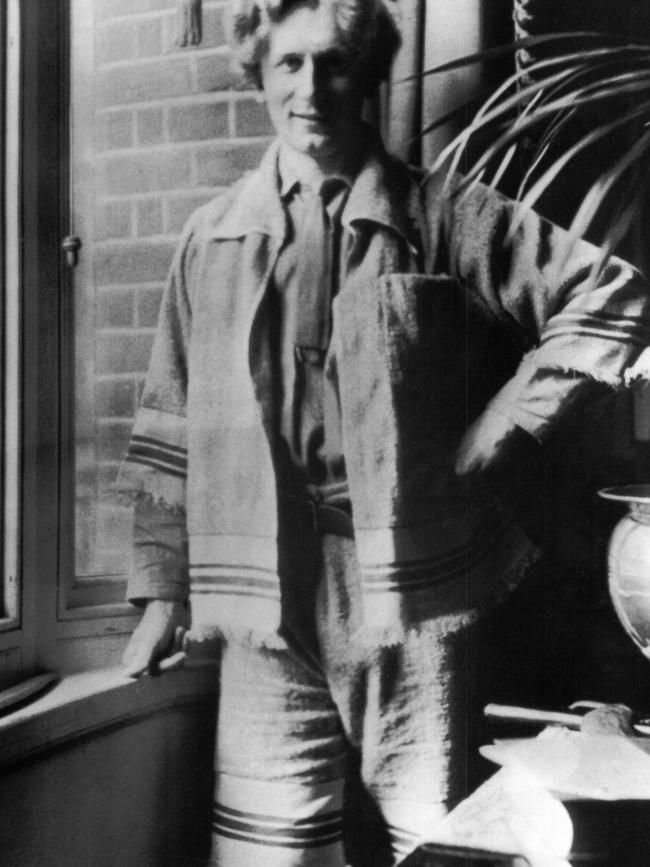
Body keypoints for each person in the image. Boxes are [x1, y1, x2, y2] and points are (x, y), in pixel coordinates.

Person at [116, 1, 650, 865]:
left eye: (334, 64)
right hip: (265, 592)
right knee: (267, 852)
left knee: (436, 838)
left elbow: (613, 295)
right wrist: (163, 596)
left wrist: (502, 425)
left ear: (366, 74)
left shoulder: (444, 213)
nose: (311, 88)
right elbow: (168, 418)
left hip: (413, 590)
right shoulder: (209, 236)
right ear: (258, 71)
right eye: (289, 64)